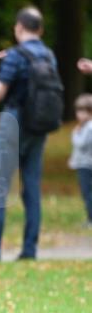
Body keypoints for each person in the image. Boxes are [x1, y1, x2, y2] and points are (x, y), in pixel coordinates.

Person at [0, 6, 57, 262]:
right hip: (39, 126)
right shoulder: (48, 56)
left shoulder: (17, 56)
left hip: (14, 123)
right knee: (32, 187)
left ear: (18, 27)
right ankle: (30, 250)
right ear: (41, 29)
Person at [68, 93, 92, 227]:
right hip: (82, 163)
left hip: (86, 165)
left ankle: (91, 219)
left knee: (87, 193)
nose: (80, 115)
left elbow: (81, 144)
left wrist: (75, 133)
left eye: (83, 111)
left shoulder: (88, 128)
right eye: (78, 111)